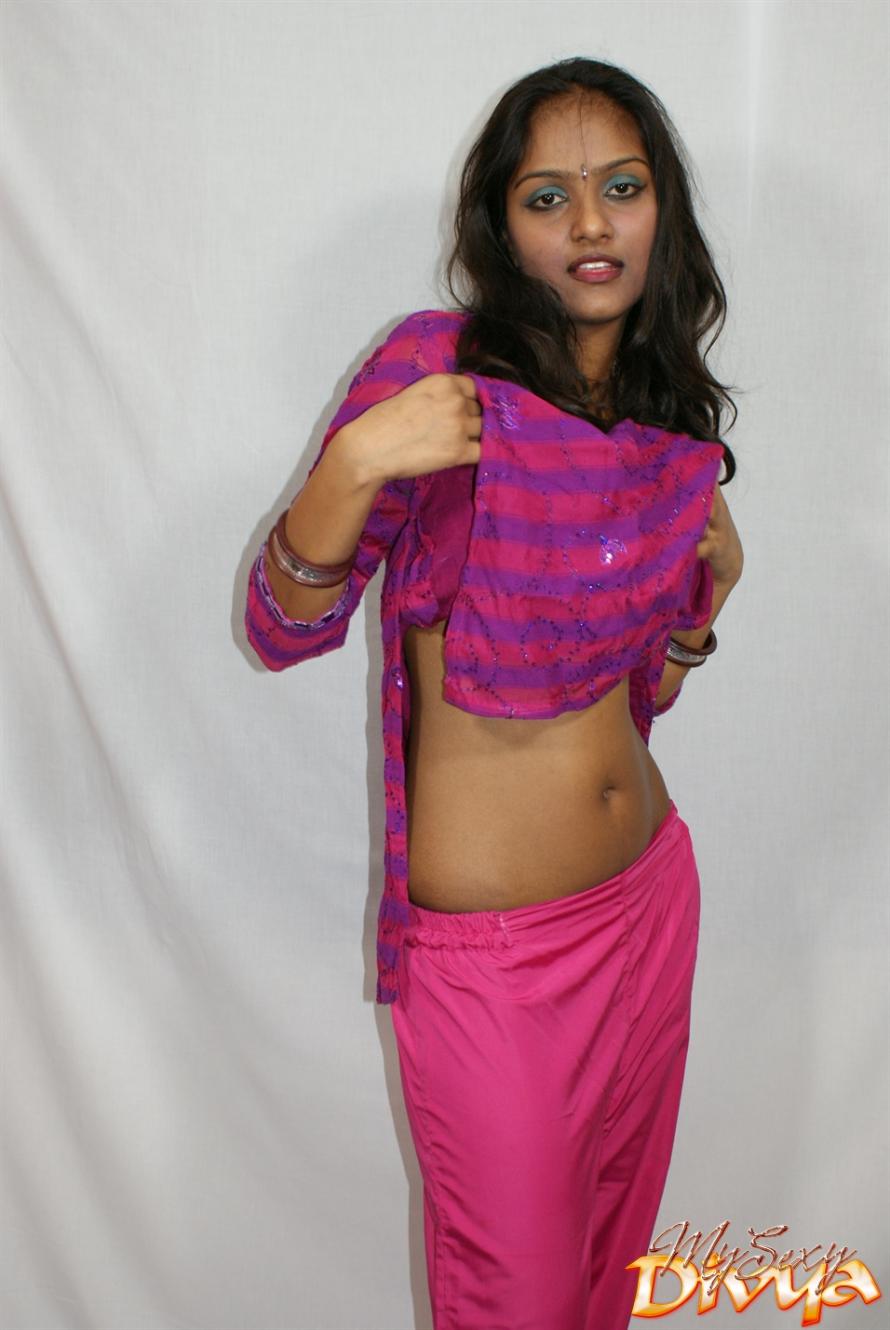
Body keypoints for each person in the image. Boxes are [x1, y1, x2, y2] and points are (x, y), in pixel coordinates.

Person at [244, 55, 743, 1330]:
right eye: (546, 196)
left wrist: (702, 609)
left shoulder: (656, 415)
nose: (588, 224)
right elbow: (279, 627)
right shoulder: (439, 372)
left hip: (649, 906)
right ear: (500, 223)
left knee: (605, 1290)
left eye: (620, 187)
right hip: (499, 969)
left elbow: (624, 700)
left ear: (661, 207)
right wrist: (355, 463)